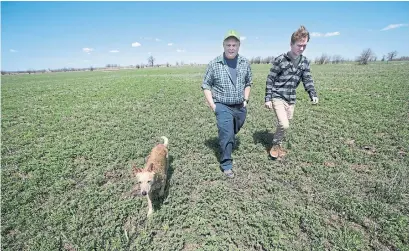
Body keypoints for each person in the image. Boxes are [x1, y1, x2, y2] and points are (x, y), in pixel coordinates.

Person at [202, 30, 253, 178]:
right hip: (222, 105)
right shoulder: (214, 64)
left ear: (239, 46)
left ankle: (228, 139)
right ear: (223, 45)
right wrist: (213, 106)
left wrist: (246, 99)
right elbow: (206, 85)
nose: (231, 48)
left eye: (234, 45)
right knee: (227, 133)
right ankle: (226, 164)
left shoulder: (244, 63)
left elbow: (248, 82)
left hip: (240, 106)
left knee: (233, 130)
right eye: (228, 45)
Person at [264, 25, 319, 160]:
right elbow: (270, 78)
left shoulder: (304, 62)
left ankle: (278, 143)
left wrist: (312, 93)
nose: (301, 48)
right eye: (299, 45)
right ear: (291, 44)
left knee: (285, 124)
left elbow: (307, 79)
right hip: (278, 96)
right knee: (284, 124)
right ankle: (275, 145)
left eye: (304, 46)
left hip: (291, 99)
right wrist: (268, 98)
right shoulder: (280, 59)